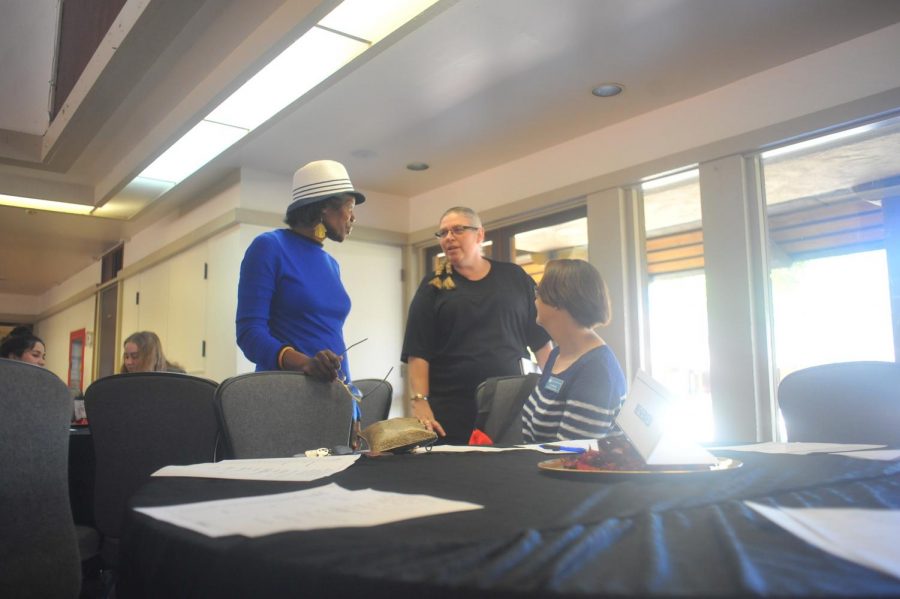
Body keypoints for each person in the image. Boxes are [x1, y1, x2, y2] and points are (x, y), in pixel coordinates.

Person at [402, 207, 552, 444]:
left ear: (480, 235)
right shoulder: (433, 286)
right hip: (451, 411)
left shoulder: (514, 277)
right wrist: (420, 402)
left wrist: (551, 391)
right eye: (443, 233)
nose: (449, 237)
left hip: (512, 406)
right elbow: (418, 352)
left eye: (458, 229)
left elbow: (542, 342)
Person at [236, 159, 364, 383]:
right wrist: (305, 362)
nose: (353, 217)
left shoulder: (331, 264)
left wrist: (351, 397)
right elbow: (249, 334)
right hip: (287, 394)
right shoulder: (269, 247)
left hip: (334, 396)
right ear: (325, 206)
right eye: (350, 207)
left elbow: (332, 336)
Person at [521, 259, 627, 442]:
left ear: (558, 301)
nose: (534, 299)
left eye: (538, 291)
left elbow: (569, 459)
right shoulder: (557, 355)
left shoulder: (596, 371)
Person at [120, 331, 185, 373]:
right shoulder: (122, 380)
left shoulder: (177, 379)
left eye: (135, 357)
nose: (128, 362)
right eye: (126, 357)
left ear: (150, 357)